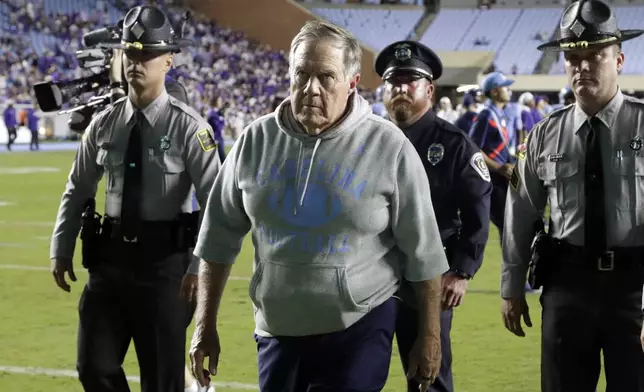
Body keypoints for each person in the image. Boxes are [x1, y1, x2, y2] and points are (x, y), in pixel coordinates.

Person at [189, 20, 449, 392]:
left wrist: (430, 337)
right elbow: (217, 238)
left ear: (352, 83)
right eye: (301, 75)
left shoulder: (388, 147)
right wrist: (204, 325)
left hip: (359, 322)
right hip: (277, 328)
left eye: (326, 77)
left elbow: (424, 252)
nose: (311, 89)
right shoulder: (255, 141)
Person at [49, 5, 221, 392]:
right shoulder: (104, 124)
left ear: (168, 61)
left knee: (162, 381)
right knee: (93, 367)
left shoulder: (190, 128)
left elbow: (216, 204)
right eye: (130, 52)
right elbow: (77, 188)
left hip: (165, 269)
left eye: (147, 54)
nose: (137, 62)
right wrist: (60, 247)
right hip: (108, 265)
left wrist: (198, 266)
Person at [501, 1, 644, 391]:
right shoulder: (545, 133)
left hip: (634, 290)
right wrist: (512, 288)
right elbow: (520, 212)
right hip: (567, 287)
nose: (582, 66)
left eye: (594, 54)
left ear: (619, 60)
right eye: (571, 57)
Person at [375, 41, 492, 392]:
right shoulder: (370, 139)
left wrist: (461, 271)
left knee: (428, 378)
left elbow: (477, 210)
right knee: (357, 373)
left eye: (409, 81)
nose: (400, 89)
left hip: (426, 282)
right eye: (393, 82)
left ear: (429, 88)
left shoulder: (454, 144)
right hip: (371, 278)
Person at [468, 71, 515, 242]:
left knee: (511, 226)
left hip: (502, 179)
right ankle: (510, 267)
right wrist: (499, 167)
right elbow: (472, 149)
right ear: (495, 91)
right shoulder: (486, 115)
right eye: (505, 87)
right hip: (493, 180)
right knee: (507, 225)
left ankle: (512, 266)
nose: (509, 90)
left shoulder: (500, 114)